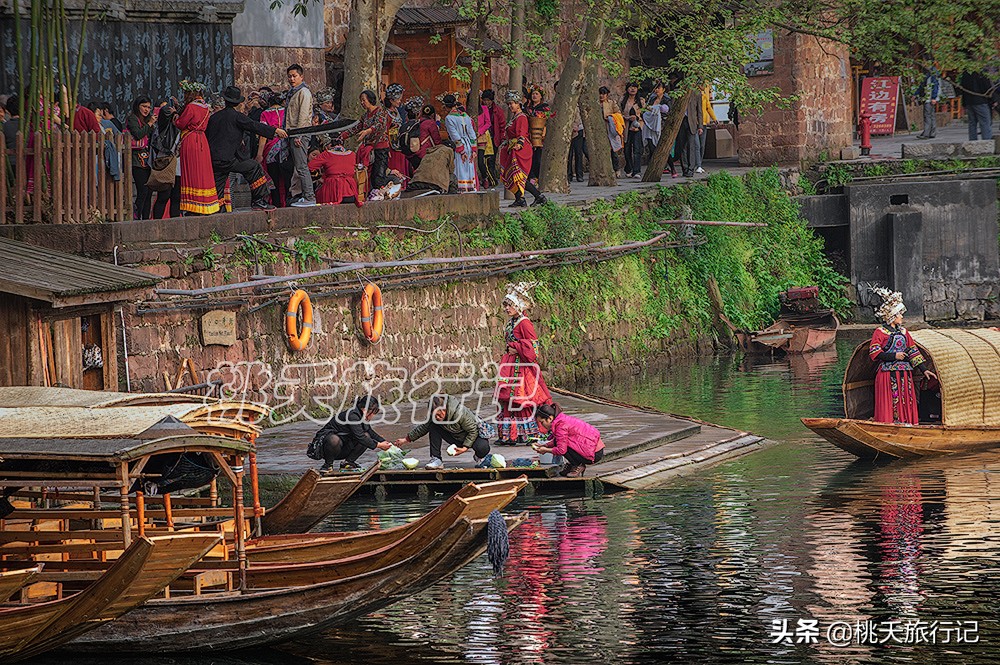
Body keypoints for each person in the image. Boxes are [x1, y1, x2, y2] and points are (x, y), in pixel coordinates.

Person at [206, 85, 285, 211]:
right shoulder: (236, 116)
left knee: (218, 187)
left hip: (213, 158)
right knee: (254, 167)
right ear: (237, 103)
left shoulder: (214, 117)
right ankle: (258, 200)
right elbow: (254, 126)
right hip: (228, 159)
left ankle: (218, 210)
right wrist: (274, 130)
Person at [869, 288, 937, 425]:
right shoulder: (880, 332)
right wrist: (895, 355)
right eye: (900, 314)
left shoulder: (904, 332)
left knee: (906, 398)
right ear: (893, 316)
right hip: (887, 374)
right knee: (890, 399)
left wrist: (924, 370)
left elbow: (913, 351)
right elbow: (875, 353)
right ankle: (889, 423)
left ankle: (906, 423)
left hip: (905, 373)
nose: (902, 316)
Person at [495, 281, 552, 445]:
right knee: (508, 399)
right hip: (511, 365)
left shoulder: (524, 323)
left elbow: (533, 347)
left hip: (522, 367)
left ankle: (527, 434)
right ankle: (510, 434)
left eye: (510, 305)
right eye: (506, 305)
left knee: (522, 398)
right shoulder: (512, 322)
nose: (506, 308)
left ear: (518, 306)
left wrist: (517, 348)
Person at [396, 395, 491, 470]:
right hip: (456, 437)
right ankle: (436, 459)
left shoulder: (460, 413)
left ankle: (479, 458)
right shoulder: (435, 418)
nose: (437, 417)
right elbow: (423, 428)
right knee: (433, 427)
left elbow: (473, 431)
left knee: (482, 447)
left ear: (445, 409)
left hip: (473, 437)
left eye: (439, 414)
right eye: (435, 415)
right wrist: (406, 439)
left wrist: (465, 448)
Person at [308, 395, 391, 473]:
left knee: (367, 436)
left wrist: (385, 443)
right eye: (373, 413)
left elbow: (369, 431)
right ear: (366, 410)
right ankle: (328, 464)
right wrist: (379, 445)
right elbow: (360, 437)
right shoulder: (352, 416)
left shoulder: (361, 416)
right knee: (334, 439)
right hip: (328, 448)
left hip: (344, 446)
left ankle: (348, 462)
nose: (373, 416)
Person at [173, 81, 220, 215]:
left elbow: (181, 124)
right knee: (203, 172)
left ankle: (192, 204)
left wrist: (175, 118)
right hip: (202, 140)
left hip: (191, 139)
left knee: (191, 171)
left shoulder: (191, 107)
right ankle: (205, 203)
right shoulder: (206, 107)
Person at [499, 91, 546, 207]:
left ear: (518, 104)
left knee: (519, 176)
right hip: (514, 148)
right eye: (509, 104)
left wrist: (518, 144)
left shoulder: (521, 117)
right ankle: (520, 198)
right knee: (513, 176)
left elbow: (522, 134)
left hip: (521, 149)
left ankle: (539, 196)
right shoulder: (515, 117)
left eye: (512, 104)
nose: (510, 106)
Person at [532, 403, 605, 478]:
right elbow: (558, 440)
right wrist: (545, 445)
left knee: (562, 447)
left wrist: (546, 450)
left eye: (542, 422)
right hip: (593, 448)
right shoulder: (561, 419)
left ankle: (578, 465)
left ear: (550, 418)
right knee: (561, 443)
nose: (542, 425)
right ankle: (574, 464)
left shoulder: (561, 425)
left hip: (594, 453)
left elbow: (561, 450)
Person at [341, 89, 392, 190]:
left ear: (370, 99)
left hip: (380, 148)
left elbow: (379, 125)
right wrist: (342, 136)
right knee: (367, 175)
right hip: (369, 150)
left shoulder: (380, 111)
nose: (362, 103)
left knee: (378, 176)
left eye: (364, 100)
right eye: (361, 101)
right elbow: (356, 128)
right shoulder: (365, 116)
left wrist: (367, 131)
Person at [285, 63, 317, 207]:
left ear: (301, 76)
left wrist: (299, 135)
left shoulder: (304, 92)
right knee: (298, 166)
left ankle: (309, 196)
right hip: (293, 133)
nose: (292, 79)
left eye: (294, 76)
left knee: (302, 166)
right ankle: (303, 195)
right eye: (290, 76)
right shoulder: (293, 92)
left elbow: (304, 115)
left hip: (300, 133)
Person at [308, 134, 362, 206]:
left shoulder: (327, 154)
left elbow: (310, 166)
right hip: (350, 191)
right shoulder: (352, 154)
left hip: (332, 189)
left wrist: (318, 178)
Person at [151, 103, 182, 219]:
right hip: (166, 163)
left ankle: (174, 224)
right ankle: (157, 223)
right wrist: (174, 112)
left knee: (176, 198)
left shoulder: (180, 128)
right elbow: (165, 113)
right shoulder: (164, 127)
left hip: (179, 166)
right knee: (163, 196)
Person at [126, 96, 155, 219]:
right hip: (137, 159)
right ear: (138, 106)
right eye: (144, 106)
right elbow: (137, 134)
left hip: (148, 159)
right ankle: (137, 216)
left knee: (149, 192)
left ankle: (146, 218)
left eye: (148, 107)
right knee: (142, 190)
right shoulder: (133, 119)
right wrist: (149, 124)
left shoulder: (149, 119)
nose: (146, 109)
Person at [442, 95, 478, 192]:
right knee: (469, 168)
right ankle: (470, 189)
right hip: (469, 145)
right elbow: (472, 133)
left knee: (460, 168)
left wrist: (461, 151)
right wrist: (474, 149)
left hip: (459, 146)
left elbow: (455, 136)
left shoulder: (449, 118)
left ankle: (461, 190)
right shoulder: (465, 115)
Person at [384, 83, 411, 182]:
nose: (400, 101)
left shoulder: (397, 111)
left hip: (398, 144)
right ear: (391, 100)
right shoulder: (385, 113)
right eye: (398, 99)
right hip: (390, 146)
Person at [478, 89, 505, 188]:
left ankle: (491, 180)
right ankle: (488, 179)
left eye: (488, 100)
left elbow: (502, 125)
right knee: (483, 161)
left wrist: (502, 137)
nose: (487, 102)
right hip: (483, 137)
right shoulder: (481, 109)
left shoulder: (497, 110)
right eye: (485, 100)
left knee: (491, 161)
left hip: (494, 137)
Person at [959, 71, 994, 141]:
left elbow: (962, 88)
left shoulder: (965, 73)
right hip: (981, 100)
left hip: (969, 101)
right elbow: (987, 87)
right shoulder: (981, 73)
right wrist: (992, 99)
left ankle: (972, 141)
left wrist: (964, 103)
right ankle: (987, 142)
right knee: (985, 122)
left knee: (972, 123)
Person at [525, 85, 549, 182]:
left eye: (536, 94)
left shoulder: (545, 108)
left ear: (541, 96)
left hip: (540, 136)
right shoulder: (527, 108)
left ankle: (538, 177)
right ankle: (531, 176)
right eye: (533, 94)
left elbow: (548, 120)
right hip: (530, 135)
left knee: (538, 158)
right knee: (529, 157)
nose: (534, 96)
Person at [620, 82, 643, 178]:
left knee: (637, 149)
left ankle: (636, 170)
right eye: (630, 87)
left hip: (637, 127)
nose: (632, 89)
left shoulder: (641, 101)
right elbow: (619, 112)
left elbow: (644, 113)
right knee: (627, 149)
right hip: (626, 126)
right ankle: (628, 168)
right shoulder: (622, 100)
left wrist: (636, 118)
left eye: (635, 87)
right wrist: (627, 117)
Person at [600, 86, 624, 176]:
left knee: (613, 150)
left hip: (610, 129)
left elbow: (618, 114)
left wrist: (610, 117)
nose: (601, 96)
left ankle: (616, 169)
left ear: (607, 95)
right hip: (600, 130)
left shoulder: (611, 103)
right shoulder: (595, 104)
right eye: (600, 94)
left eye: (603, 94)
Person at [679, 89, 702, 178]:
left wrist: (700, 125)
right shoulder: (679, 92)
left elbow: (699, 111)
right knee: (682, 146)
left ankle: (691, 168)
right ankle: (684, 168)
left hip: (692, 122)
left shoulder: (696, 93)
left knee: (691, 146)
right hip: (681, 121)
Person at [410, 103, 440, 168]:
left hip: (416, 151)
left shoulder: (417, 121)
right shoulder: (431, 123)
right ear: (432, 114)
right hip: (426, 152)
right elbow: (437, 140)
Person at [916, 67, 940, 140]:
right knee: (931, 115)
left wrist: (933, 97)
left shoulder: (931, 74)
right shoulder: (930, 73)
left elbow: (934, 86)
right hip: (929, 97)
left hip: (928, 98)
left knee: (927, 115)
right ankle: (932, 132)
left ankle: (927, 133)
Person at [567, 105, 585, 183]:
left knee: (578, 153)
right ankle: (569, 174)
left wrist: (576, 125)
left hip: (578, 130)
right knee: (569, 154)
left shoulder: (579, 105)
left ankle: (579, 174)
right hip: (567, 131)